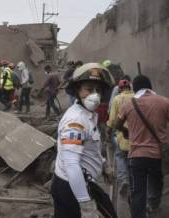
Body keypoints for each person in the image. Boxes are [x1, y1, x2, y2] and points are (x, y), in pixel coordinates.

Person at [51, 63, 117, 218]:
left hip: (83, 183)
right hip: (71, 188)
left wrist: (102, 164)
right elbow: (72, 164)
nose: (95, 94)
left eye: (98, 90)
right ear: (77, 90)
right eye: (89, 89)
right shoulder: (76, 121)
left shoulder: (88, 115)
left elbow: (90, 148)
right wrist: (85, 204)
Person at [115, 75, 169, 218]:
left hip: (136, 156)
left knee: (138, 192)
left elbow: (116, 124)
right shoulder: (164, 102)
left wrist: (126, 131)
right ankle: (154, 206)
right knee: (156, 184)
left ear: (135, 88)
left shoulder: (128, 105)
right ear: (150, 87)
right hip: (157, 156)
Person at [107, 79, 134, 196]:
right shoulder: (137, 98)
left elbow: (113, 120)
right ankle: (134, 181)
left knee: (120, 155)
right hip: (137, 135)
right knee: (132, 158)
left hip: (122, 135)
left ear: (119, 89)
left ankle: (124, 180)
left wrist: (109, 127)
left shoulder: (117, 99)